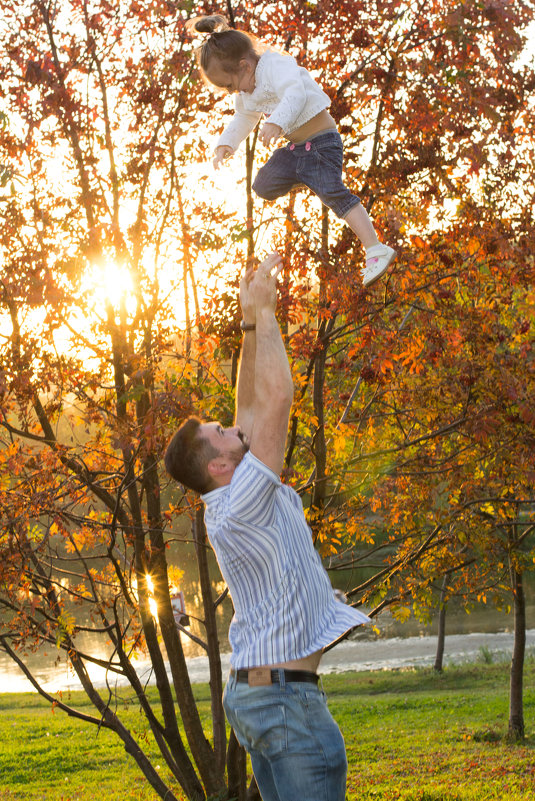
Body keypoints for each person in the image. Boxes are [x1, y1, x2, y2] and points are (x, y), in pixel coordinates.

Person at [165, 252, 370, 801]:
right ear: (217, 464)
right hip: (285, 705)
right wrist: (270, 309)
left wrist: (249, 323)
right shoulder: (247, 494)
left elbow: (249, 403)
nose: (232, 424)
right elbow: (276, 396)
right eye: (220, 431)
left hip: (259, 697)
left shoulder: (228, 496)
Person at [185, 14, 396, 287]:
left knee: (333, 192)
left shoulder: (275, 65)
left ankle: (375, 248)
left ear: (244, 66)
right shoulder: (246, 93)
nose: (230, 92)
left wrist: (275, 122)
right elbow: (243, 118)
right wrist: (225, 144)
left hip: (322, 144)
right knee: (262, 185)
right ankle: (310, 178)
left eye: (228, 85)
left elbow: (295, 92)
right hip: (297, 151)